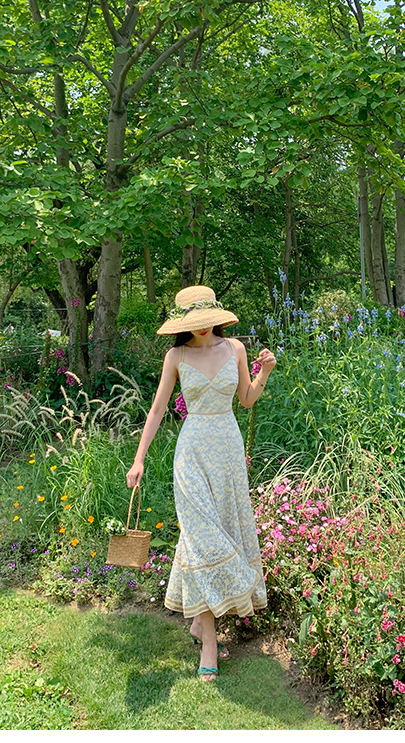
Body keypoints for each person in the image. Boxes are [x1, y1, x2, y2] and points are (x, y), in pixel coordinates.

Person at [126, 285, 276, 682]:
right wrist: (139, 458)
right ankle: (209, 641)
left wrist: (264, 373)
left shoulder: (236, 349)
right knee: (202, 539)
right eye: (195, 323)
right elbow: (158, 408)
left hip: (228, 453)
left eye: (207, 321)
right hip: (191, 454)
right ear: (183, 324)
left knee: (215, 535)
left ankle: (198, 622)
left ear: (217, 318)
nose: (203, 328)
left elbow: (246, 399)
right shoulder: (176, 356)